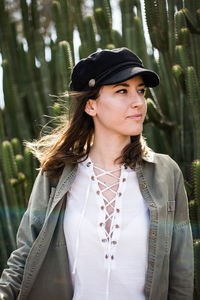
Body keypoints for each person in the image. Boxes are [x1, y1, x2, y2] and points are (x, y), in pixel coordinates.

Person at [0, 47, 194, 300]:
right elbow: (26, 254)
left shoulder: (166, 172)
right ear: (91, 105)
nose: (138, 101)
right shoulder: (55, 174)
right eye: (122, 91)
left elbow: (181, 271)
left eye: (141, 91)